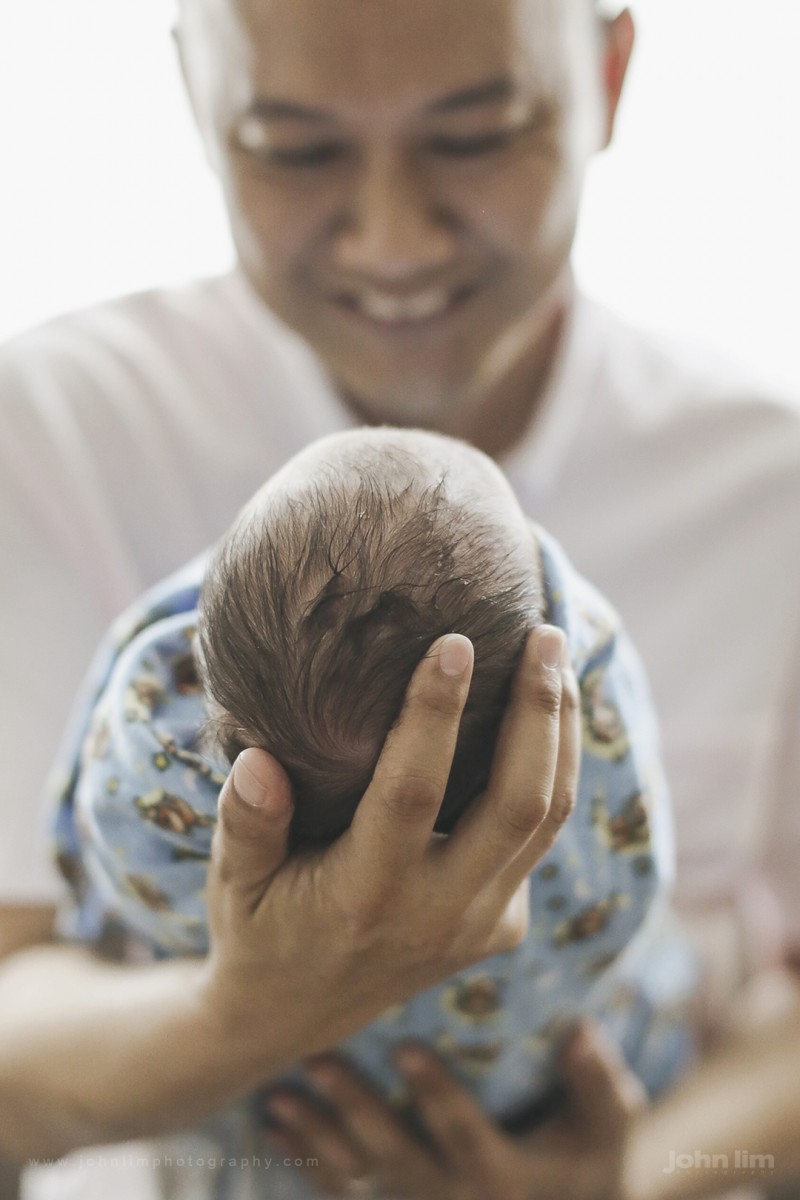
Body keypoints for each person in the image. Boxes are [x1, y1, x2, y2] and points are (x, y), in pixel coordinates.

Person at [1, 0, 799, 1197]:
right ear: (195, 101)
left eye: (475, 137)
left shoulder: (766, 491)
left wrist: (626, 1173)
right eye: (295, 149)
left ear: (611, 71)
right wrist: (247, 1009)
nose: (392, 240)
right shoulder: (51, 436)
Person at [53, 426, 694, 1197]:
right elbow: (638, 877)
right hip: (541, 1101)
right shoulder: (584, 741)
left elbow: (103, 879)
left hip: (292, 1143)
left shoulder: (161, 784)